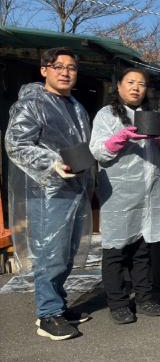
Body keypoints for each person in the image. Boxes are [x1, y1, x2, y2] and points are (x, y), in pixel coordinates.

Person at [5, 47, 93, 340]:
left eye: (71, 67)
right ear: (44, 70)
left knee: (66, 253)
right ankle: (47, 315)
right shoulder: (32, 104)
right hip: (47, 191)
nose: (65, 72)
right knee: (50, 253)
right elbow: (16, 143)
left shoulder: (76, 106)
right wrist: (52, 163)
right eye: (58, 66)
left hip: (74, 188)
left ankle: (58, 304)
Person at [89, 68, 160, 324]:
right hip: (119, 193)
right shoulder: (106, 115)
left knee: (143, 248)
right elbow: (98, 151)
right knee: (116, 249)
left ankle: (145, 297)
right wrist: (122, 136)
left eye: (141, 84)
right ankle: (117, 303)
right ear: (119, 87)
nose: (136, 88)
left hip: (149, 192)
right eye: (131, 82)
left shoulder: (153, 116)